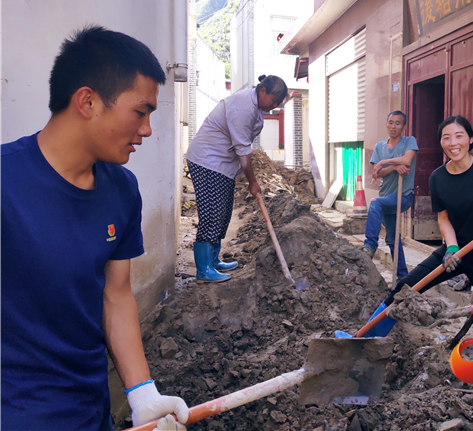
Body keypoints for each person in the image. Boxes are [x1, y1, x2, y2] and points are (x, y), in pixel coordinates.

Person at [1, 26, 188, 431]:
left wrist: (141, 394)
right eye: (140, 112)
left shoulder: (122, 190)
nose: (148, 130)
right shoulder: (6, 182)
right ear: (87, 101)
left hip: (90, 407)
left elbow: (116, 294)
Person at [339, 115, 473, 386]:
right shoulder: (438, 177)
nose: (453, 142)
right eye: (446, 137)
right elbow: (443, 218)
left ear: (470, 139)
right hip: (452, 251)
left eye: (459, 135)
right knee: (403, 290)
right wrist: (451, 247)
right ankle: (362, 341)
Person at [185, 74, 288, 283]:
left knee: (223, 214)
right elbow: (243, 150)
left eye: (278, 103)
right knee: (212, 213)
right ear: (262, 91)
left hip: (222, 165)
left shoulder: (255, 107)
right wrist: (252, 181)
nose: (274, 105)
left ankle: (213, 260)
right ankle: (203, 270)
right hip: (208, 161)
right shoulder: (243, 107)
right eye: (273, 100)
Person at [360, 110, 418, 279]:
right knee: (393, 240)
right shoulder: (379, 146)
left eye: (398, 123)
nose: (394, 126)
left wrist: (385, 162)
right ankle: (402, 277)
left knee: (375, 203)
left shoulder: (409, 141)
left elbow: (407, 160)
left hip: (403, 195)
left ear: (403, 126)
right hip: (387, 197)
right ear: (386, 124)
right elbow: (377, 173)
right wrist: (393, 167)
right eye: (391, 122)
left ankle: (369, 245)